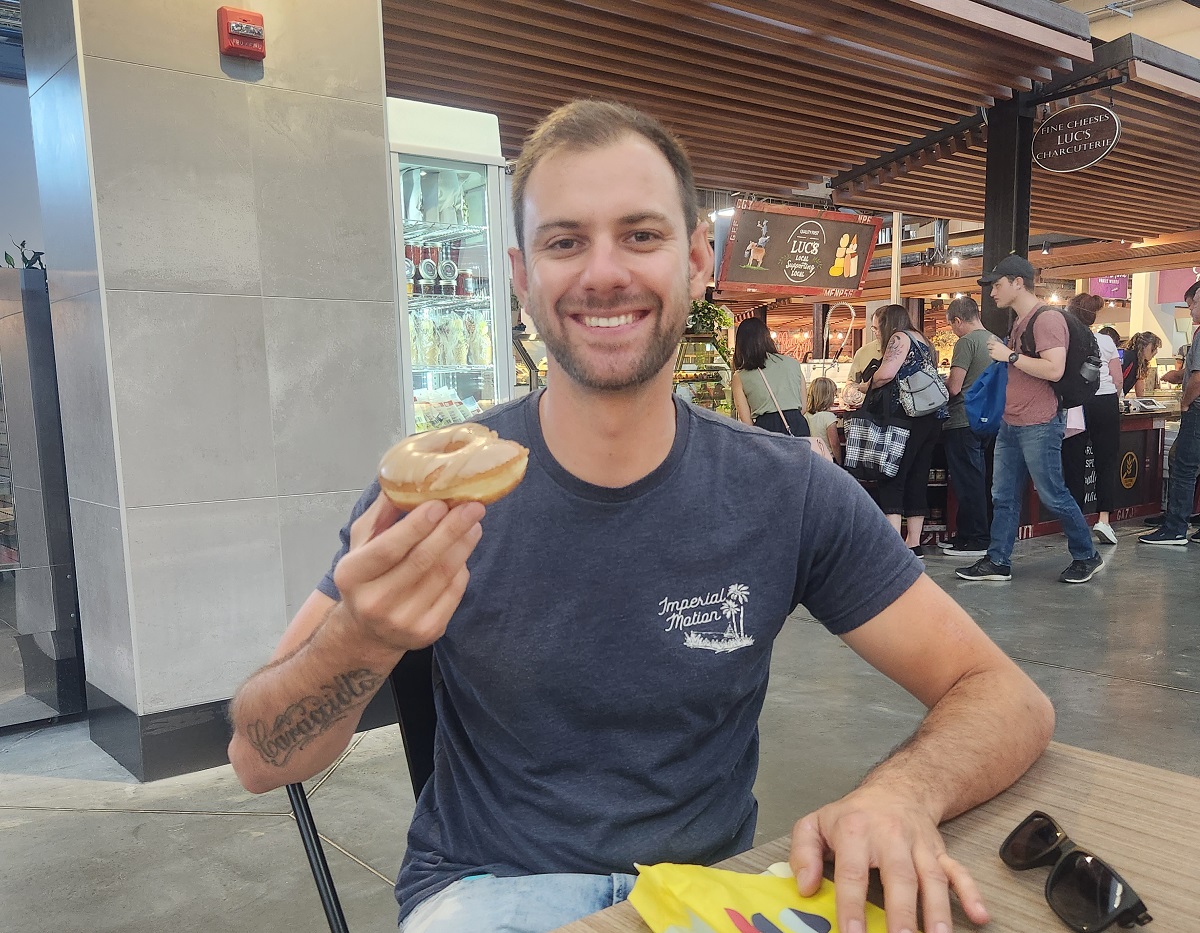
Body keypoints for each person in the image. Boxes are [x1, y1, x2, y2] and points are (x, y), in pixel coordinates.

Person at [227, 100, 1054, 933]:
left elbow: (1007, 696)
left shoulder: (787, 491)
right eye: (564, 241)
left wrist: (899, 793)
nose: (604, 272)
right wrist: (358, 636)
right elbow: (260, 759)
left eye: (641, 234)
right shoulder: (431, 494)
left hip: (701, 889)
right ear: (522, 275)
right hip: (490, 890)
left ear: (697, 260)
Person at [955, 255, 1103, 584]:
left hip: (1040, 421)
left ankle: (1086, 554)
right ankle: (998, 560)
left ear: (1018, 282)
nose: (992, 292)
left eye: (998, 284)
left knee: (1052, 493)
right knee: (1003, 496)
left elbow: (1054, 369)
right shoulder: (1021, 321)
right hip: (1012, 422)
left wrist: (1009, 355)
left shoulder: (1046, 320)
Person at [854, 303, 947, 557]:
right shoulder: (921, 339)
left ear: (887, 323)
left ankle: (893, 544)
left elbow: (885, 375)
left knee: (892, 475)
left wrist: (862, 387)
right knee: (917, 477)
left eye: (876, 327)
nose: (875, 333)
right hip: (930, 417)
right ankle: (913, 543)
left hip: (906, 418)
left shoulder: (899, 338)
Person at [1140, 281, 1200, 545]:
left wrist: (1185, 404)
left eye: (1192, 305)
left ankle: (1175, 527)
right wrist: (1181, 375)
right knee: (1180, 460)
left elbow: (1198, 378)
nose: (1190, 311)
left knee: (1184, 466)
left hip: (1197, 410)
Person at [1060, 294, 1123, 546]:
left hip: (1077, 402)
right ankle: (1104, 520)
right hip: (1106, 401)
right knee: (1106, 461)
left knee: (1073, 461)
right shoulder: (1106, 340)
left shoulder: (1067, 338)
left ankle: (1075, 520)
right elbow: (1117, 380)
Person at [936, 296, 994, 559]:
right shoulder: (995, 341)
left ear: (958, 320)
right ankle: (970, 534)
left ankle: (975, 538)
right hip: (989, 418)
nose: (952, 330)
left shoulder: (966, 342)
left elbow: (954, 387)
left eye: (951, 325)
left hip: (962, 419)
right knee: (982, 479)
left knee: (966, 481)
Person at [731, 317, 809, 435]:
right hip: (798, 425)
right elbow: (803, 407)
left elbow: (747, 422)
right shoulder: (792, 363)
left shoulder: (740, 376)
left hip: (766, 428)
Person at [804, 376, 841, 464]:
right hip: (827, 459)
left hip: (811, 457)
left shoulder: (805, 415)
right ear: (828, 396)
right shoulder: (829, 417)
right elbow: (834, 444)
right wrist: (840, 463)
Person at [1121, 331, 1162, 397]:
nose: (1156, 352)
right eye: (1154, 348)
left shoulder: (1140, 363)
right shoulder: (1129, 357)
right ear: (1144, 346)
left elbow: (1139, 381)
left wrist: (1141, 401)